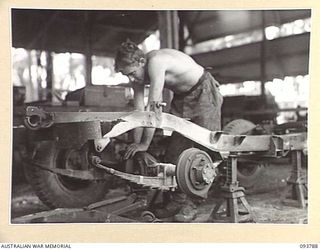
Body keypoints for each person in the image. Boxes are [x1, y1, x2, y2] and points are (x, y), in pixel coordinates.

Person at [114, 40, 223, 222]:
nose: (132, 79)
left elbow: (153, 109)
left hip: (204, 91)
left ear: (141, 62)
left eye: (132, 74)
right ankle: (177, 201)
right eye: (127, 76)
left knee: (203, 150)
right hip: (182, 98)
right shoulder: (137, 74)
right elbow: (139, 113)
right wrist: (136, 143)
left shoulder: (157, 61)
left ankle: (193, 202)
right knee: (175, 152)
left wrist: (144, 144)